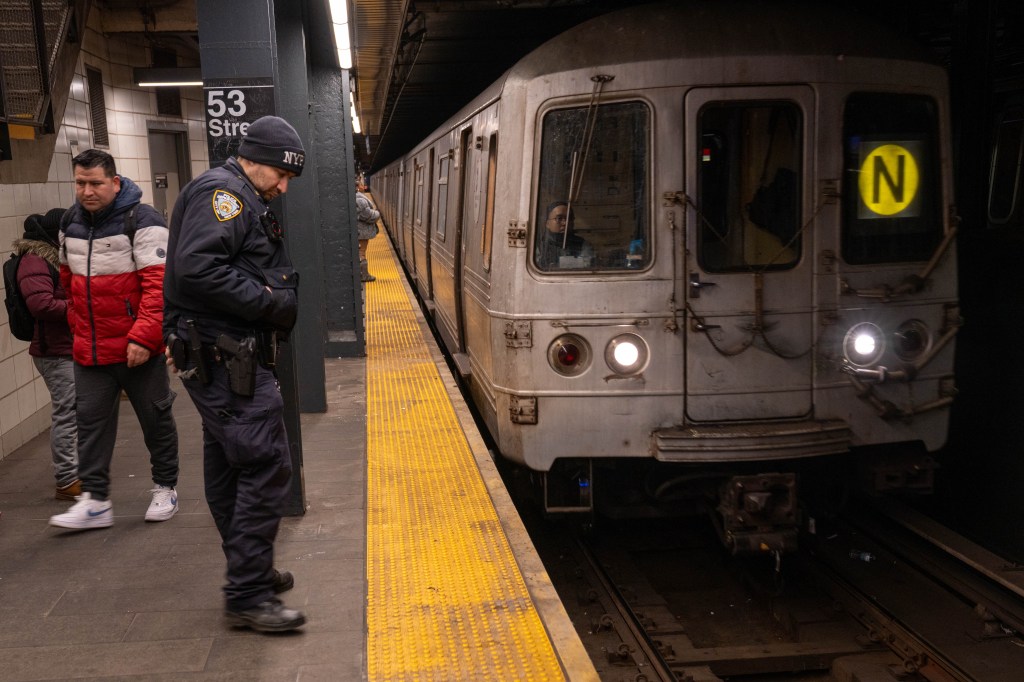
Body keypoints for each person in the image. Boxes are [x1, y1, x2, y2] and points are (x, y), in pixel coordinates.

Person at [163, 115, 306, 633]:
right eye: (281, 174)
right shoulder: (225, 195)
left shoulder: (235, 192)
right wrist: (268, 303)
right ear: (254, 159)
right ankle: (247, 593)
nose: (284, 186)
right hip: (227, 357)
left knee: (230, 468)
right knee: (267, 465)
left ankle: (252, 571)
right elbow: (197, 269)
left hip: (219, 356)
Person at [49, 149, 179, 530]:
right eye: (80, 183)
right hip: (90, 348)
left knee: (155, 418)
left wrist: (143, 336)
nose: (87, 191)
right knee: (89, 423)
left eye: (95, 183)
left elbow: (159, 286)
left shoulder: (143, 220)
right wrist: (77, 324)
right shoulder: (70, 222)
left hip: (137, 347)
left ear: (115, 182)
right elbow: (67, 281)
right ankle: (94, 500)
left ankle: (164, 486)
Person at [13, 208, 78, 500]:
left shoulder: (58, 258)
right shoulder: (35, 260)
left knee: (79, 412)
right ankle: (67, 480)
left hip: (69, 347)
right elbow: (40, 304)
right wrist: (82, 310)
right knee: (67, 412)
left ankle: (78, 471)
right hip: (54, 352)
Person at [535, 201, 588, 269]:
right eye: (559, 219)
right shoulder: (538, 245)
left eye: (569, 218)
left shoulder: (582, 244)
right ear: (547, 223)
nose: (565, 223)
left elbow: (587, 264)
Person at [355, 177, 380, 282]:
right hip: (362, 231)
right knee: (362, 252)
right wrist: (377, 213)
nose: (363, 186)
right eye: (360, 184)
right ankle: (364, 275)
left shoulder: (357, 198)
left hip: (360, 230)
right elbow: (367, 215)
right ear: (357, 188)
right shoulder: (359, 199)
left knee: (361, 251)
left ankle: (362, 274)